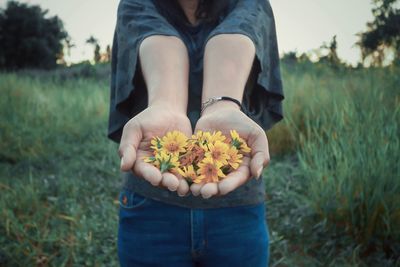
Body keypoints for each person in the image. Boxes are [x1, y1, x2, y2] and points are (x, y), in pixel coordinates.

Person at [108, 0, 284, 266]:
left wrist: (222, 105)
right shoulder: (136, 3)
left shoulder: (251, 2)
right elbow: (160, 42)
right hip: (150, 209)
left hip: (237, 209)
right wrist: (166, 105)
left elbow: (234, 36)